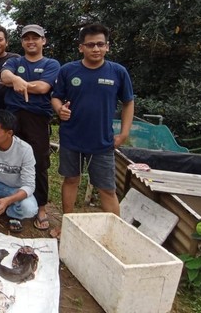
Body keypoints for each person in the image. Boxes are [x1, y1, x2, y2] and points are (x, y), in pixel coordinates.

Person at [49, 24, 134, 239]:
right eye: (90, 45)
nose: (95, 49)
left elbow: (128, 102)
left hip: (102, 141)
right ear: (81, 47)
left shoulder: (118, 72)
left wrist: (124, 133)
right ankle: (67, 226)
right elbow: (55, 96)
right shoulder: (68, 70)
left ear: (107, 47)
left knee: (107, 189)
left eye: (100, 44)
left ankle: (114, 235)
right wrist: (59, 109)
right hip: (71, 138)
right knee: (71, 180)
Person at [1, 24, 60, 232]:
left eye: (36, 37)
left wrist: (19, 84)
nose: (31, 41)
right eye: (27, 38)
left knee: (39, 163)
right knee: (9, 159)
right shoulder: (15, 61)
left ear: (43, 41)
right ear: (22, 41)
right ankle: (12, 201)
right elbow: (4, 76)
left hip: (37, 119)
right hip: (12, 117)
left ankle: (41, 207)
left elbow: (44, 87)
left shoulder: (51, 64)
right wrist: (14, 79)